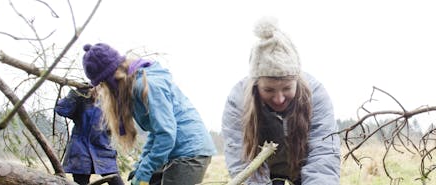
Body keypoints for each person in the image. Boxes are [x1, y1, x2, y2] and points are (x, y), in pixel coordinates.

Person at [222, 17, 341, 185]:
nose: (279, 99)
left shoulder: (316, 95)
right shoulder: (238, 100)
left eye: (286, 88)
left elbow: (323, 154)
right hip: (265, 170)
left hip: (304, 165)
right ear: (256, 85)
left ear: (297, 81)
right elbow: (242, 161)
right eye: (268, 90)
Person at [81, 43, 217, 185]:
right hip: (174, 152)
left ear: (112, 78)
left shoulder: (148, 85)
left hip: (189, 153)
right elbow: (156, 131)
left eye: (103, 83)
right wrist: (141, 165)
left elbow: (166, 134)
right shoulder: (134, 86)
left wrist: (146, 170)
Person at [54, 86, 125, 185]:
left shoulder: (112, 99)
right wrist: (74, 94)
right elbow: (61, 110)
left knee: (117, 182)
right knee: (81, 182)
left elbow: (121, 127)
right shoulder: (82, 97)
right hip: (80, 152)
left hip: (103, 150)